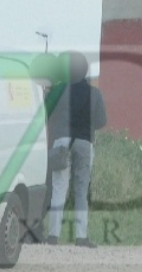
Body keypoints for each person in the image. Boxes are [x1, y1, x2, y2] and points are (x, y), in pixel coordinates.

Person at [46, 51, 107, 247]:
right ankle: (81, 237)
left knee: (58, 189)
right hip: (85, 143)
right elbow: (101, 122)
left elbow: (45, 114)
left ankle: (53, 236)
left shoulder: (58, 91)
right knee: (81, 191)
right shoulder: (95, 93)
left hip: (61, 142)